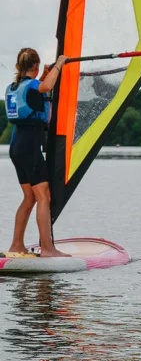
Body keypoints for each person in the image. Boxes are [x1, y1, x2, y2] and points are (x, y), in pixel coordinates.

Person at [4, 48, 69, 258]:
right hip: (30, 145)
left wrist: (44, 74)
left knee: (29, 197)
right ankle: (48, 249)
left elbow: (36, 90)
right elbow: (47, 86)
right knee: (43, 196)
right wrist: (59, 63)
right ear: (36, 65)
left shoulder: (13, 86)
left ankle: (16, 245)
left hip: (16, 145)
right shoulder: (33, 85)